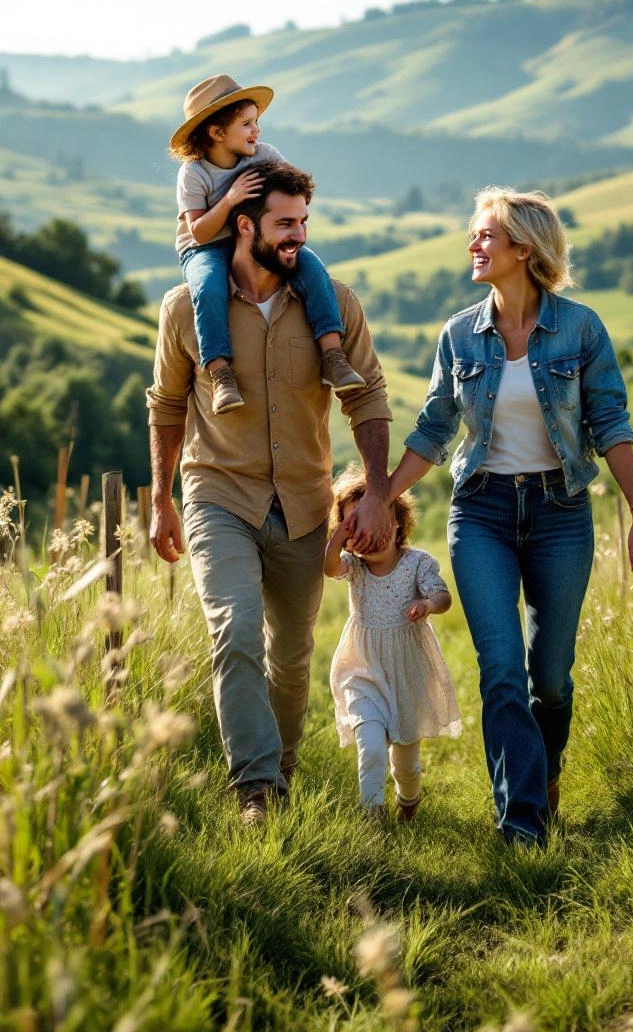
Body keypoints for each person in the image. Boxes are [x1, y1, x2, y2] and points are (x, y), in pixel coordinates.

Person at [386, 186, 633, 845]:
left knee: (551, 680)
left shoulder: (581, 329)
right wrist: (379, 495)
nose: (473, 245)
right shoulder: (459, 335)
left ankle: (544, 773)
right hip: (479, 511)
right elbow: (431, 430)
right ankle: (521, 822)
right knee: (501, 667)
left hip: (560, 514)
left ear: (524, 250)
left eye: (485, 235)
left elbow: (612, 424)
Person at [147, 161, 393, 824]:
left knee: (292, 656)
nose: (299, 236)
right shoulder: (184, 309)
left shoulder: (332, 303)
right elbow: (168, 404)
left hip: (305, 502)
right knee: (236, 634)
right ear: (244, 224)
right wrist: (161, 499)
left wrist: (374, 490)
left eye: (305, 222)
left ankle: (281, 769)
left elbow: (367, 396)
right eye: (286, 224)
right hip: (217, 494)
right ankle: (255, 789)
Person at [170, 73, 365, 415]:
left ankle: (333, 355)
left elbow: (297, 188)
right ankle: (221, 375)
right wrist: (230, 199)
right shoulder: (194, 173)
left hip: (252, 239)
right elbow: (199, 232)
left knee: (312, 268)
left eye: (256, 122)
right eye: (246, 124)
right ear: (216, 133)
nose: (256, 131)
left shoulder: (265, 154)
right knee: (207, 288)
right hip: (205, 247)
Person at [326, 463, 461, 820]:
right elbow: (326, 567)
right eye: (355, 527)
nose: (366, 535)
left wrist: (428, 604)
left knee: (405, 763)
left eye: (373, 521)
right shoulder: (354, 567)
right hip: (363, 669)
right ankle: (373, 816)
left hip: (405, 673)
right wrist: (341, 532)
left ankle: (408, 798)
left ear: (397, 521)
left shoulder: (416, 564)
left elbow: (444, 597)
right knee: (369, 746)